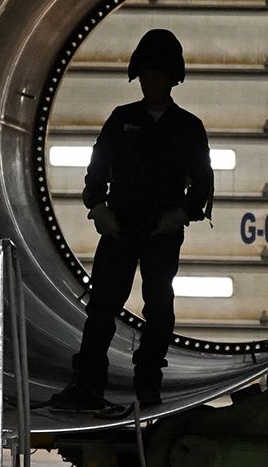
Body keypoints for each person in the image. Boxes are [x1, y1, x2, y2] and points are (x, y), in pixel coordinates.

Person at [46, 28, 214, 412]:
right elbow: (97, 168)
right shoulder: (121, 120)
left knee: (158, 307)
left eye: (154, 74)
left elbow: (202, 182)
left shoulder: (188, 128)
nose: (147, 81)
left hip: (160, 232)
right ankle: (87, 386)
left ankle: (148, 386)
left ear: (171, 78)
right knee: (102, 308)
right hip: (120, 229)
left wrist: (180, 216)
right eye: (144, 74)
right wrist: (99, 208)